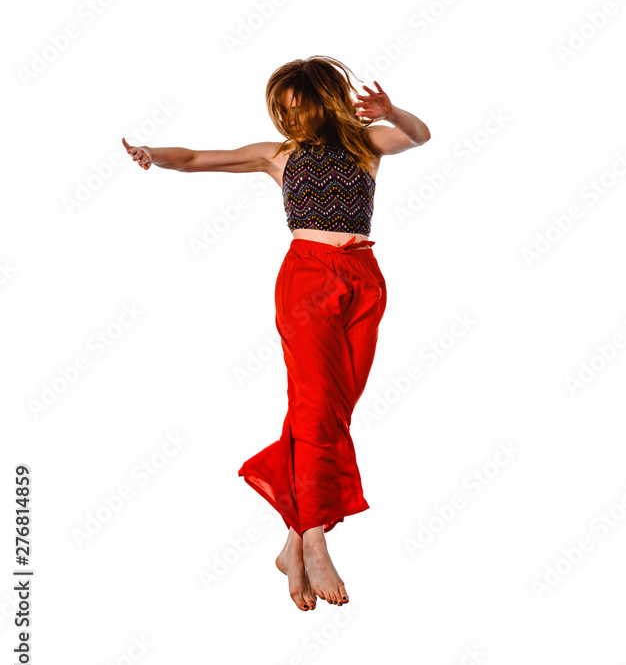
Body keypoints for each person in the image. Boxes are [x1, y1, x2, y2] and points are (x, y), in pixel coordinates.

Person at [122, 55, 430, 611]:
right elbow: (196, 158)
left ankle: (292, 540)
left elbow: (419, 136)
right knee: (315, 409)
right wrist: (153, 155)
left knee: (329, 412)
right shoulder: (278, 155)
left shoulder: (366, 143)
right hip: (308, 279)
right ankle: (314, 540)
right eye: (281, 109)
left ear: (323, 100)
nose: (289, 118)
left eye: (296, 105)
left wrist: (392, 110)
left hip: (365, 279)